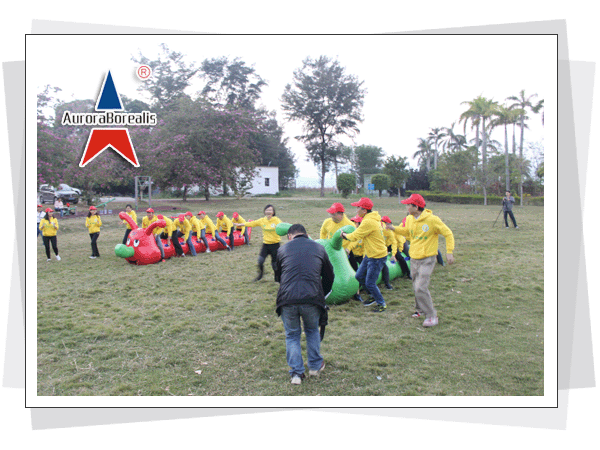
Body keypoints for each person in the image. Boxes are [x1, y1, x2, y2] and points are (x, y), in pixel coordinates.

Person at [274, 224, 334, 385]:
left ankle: (296, 374)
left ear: (289, 236)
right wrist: (321, 294)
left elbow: (278, 276)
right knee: (312, 330)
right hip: (312, 298)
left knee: (292, 335)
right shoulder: (319, 248)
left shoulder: (282, 250)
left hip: (287, 299)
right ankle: (314, 366)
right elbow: (329, 275)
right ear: (306, 234)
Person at [386, 193, 455, 327]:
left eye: (408, 205)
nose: (406, 207)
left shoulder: (432, 220)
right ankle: (420, 310)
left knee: (420, 287)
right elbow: (407, 232)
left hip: (427, 259)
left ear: (416, 207)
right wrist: (394, 228)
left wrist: (449, 251)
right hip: (414, 259)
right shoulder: (410, 219)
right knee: (416, 285)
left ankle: (431, 316)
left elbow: (448, 233)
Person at [340, 197, 389, 313]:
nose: (356, 210)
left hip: (377, 256)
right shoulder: (370, 219)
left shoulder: (368, 221)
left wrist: (344, 235)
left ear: (364, 210)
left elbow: (355, 236)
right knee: (359, 276)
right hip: (369, 254)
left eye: (358, 208)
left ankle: (381, 303)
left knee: (370, 282)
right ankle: (372, 295)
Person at [240, 204, 282, 282]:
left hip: (275, 245)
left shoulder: (276, 220)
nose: (268, 211)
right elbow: (252, 223)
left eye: (270, 210)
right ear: (264, 211)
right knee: (260, 261)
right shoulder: (262, 220)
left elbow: (283, 227)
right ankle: (260, 275)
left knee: (275, 265)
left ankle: (277, 278)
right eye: (267, 210)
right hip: (266, 245)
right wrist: (241, 224)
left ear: (273, 212)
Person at [380, 215, 398, 290]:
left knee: (400, 257)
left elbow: (394, 242)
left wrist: (393, 254)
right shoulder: (378, 228)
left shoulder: (389, 231)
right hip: (378, 247)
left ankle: (387, 283)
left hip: (391, 246)